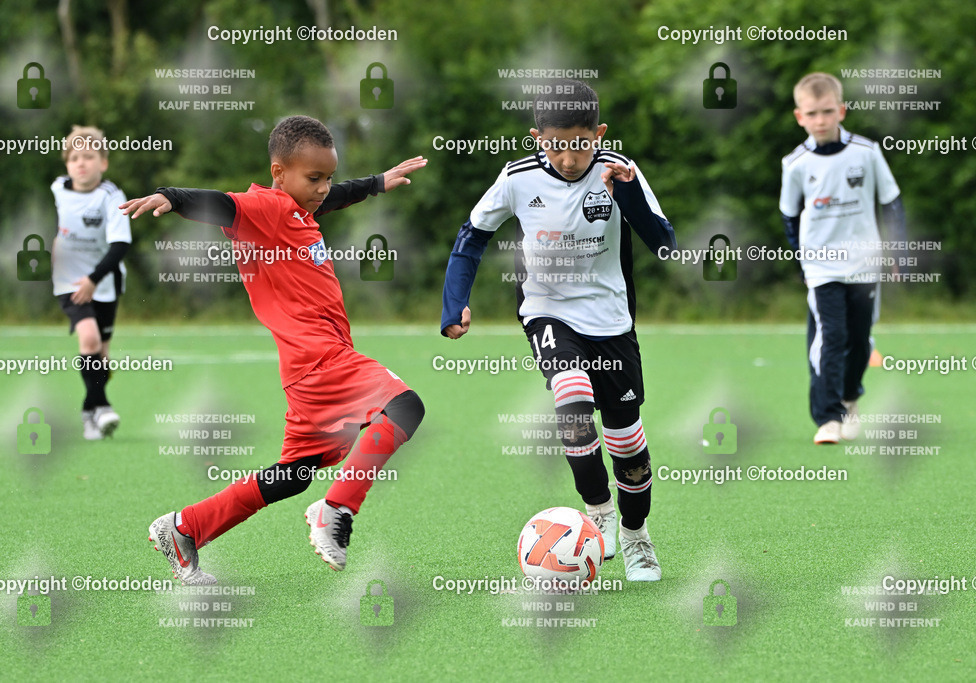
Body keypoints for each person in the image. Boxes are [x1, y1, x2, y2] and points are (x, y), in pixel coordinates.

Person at [122, 115, 427, 583]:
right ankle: (337, 509)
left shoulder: (297, 211)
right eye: (314, 178)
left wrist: (375, 184)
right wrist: (173, 197)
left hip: (305, 369)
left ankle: (185, 528)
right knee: (405, 406)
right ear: (278, 172)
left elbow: (334, 196)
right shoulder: (266, 208)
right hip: (322, 360)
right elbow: (223, 205)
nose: (324, 188)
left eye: (327, 177)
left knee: (293, 474)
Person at [439, 80, 676, 582]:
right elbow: (471, 237)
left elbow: (665, 243)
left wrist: (628, 192)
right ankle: (599, 512)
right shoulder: (517, 178)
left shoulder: (620, 171)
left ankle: (636, 537)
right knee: (570, 399)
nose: (569, 157)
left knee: (627, 442)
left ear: (599, 133)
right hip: (547, 310)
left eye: (581, 143)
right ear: (537, 138)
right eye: (557, 145)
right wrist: (454, 303)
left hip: (611, 320)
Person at [779, 72, 905, 444]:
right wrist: (801, 262)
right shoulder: (796, 163)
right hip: (821, 267)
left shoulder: (866, 153)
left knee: (860, 339)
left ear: (842, 111)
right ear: (800, 116)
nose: (820, 120)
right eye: (812, 113)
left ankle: (850, 399)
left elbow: (891, 202)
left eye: (827, 112)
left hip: (864, 264)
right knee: (830, 337)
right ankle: (828, 417)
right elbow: (789, 216)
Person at [51, 126, 129, 440]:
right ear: (66, 164)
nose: (80, 163)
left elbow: (120, 245)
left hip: (105, 281)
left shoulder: (111, 197)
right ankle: (103, 407)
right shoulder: (58, 188)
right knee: (90, 342)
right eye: (74, 158)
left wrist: (94, 279)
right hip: (69, 280)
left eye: (88, 156)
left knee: (103, 358)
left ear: (103, 162)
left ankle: (90, 411)